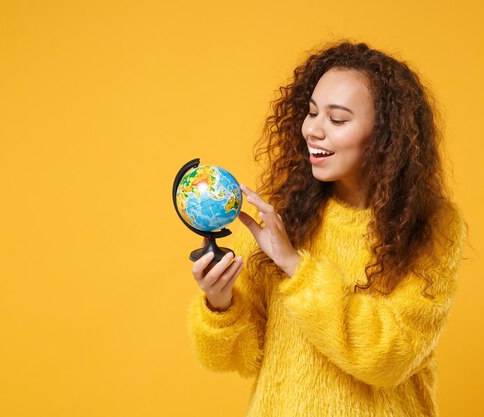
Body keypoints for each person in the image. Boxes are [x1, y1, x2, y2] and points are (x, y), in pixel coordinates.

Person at [186, 41, 468, 417]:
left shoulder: (433, 226)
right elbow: (237, 358)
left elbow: (389, 355)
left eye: (337, 120)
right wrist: (219, 305)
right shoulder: (279, 214)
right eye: (312, 112)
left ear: (386, 135)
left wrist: (295, 267)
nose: (313, 130)